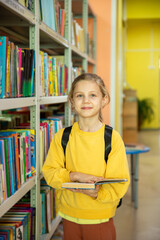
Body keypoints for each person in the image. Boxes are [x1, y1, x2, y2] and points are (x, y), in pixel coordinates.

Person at [42, 73, 130, 240]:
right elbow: (50, 173)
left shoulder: (112, 138)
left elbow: (120, 182)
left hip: (100, 218)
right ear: (72, 101)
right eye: (80, 96)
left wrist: (98, 193)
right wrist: (73, 176)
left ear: (104, 99)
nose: (86, 100)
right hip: (68, 217)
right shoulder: (62, 137)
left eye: (93, 95)